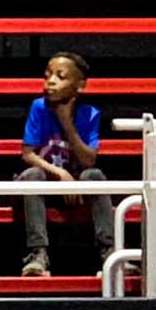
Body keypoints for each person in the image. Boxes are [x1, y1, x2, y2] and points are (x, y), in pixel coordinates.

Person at [16, 52, 106, 277]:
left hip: (77, 190)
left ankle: (109, 252)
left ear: (80, 86)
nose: (51, 82)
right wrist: (61, 175)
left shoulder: (90, 114)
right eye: (47, 76)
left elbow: (88, 159)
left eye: (60, 76)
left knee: (94, 176)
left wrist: (67, 122)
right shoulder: (38, 107)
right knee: (31, 175)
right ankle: (37, 254)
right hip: (48, 184)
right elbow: (28, 154)